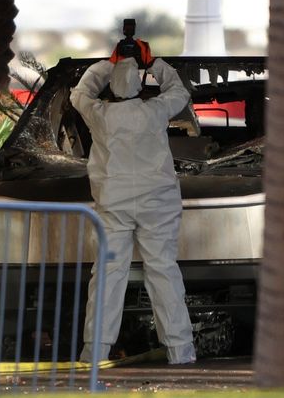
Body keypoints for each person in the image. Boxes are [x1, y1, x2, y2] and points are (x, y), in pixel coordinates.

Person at [69, 40, 196, 365]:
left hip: (113, 206)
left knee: (109, 275)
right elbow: (179, 92)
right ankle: (181, 353)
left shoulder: (100, 115)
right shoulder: (154, 111)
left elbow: (80, 93)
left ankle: (92, 353)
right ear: (140, 82)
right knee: (164, 272)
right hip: (159, 204)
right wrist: (152, 62)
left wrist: (109, 62)